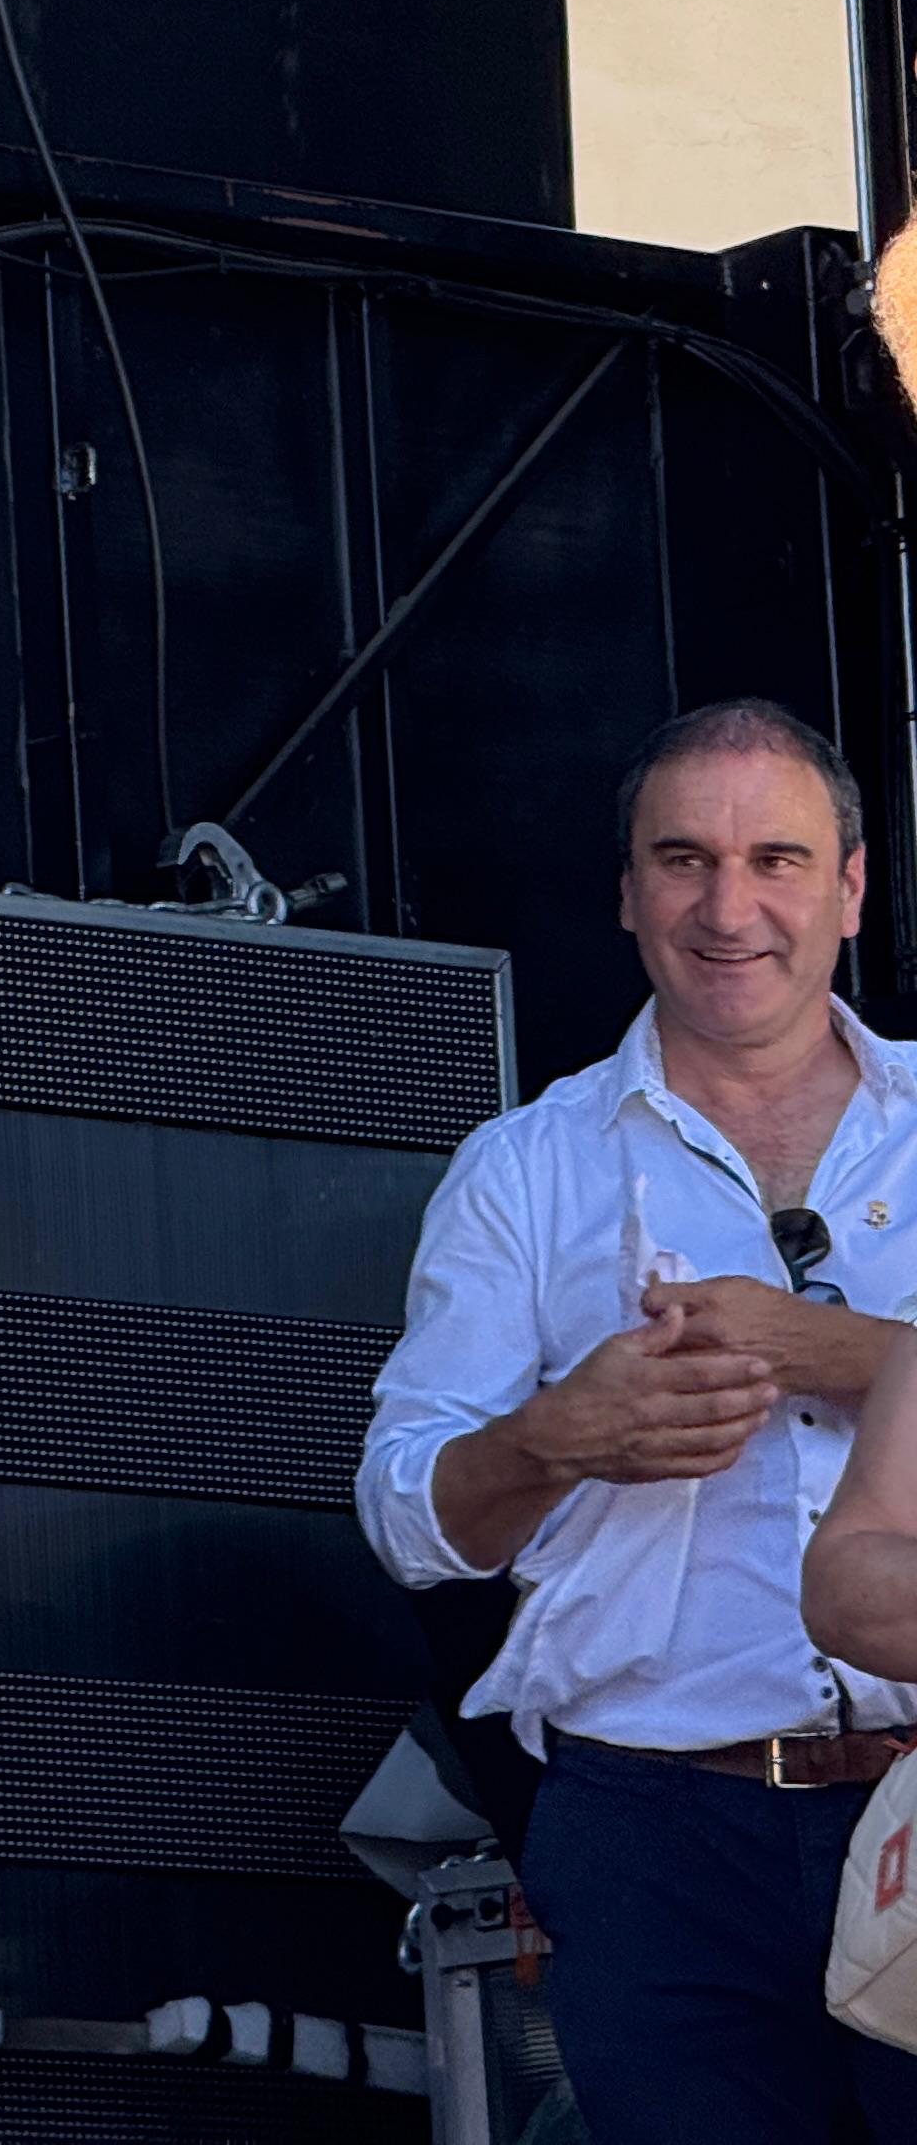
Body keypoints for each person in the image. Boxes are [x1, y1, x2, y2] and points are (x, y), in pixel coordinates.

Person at [362, 698, 917, 2143]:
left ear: (853, 888)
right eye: (685, 861)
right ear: (626, 893)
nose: (730, 909)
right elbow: (408, 1517)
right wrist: (560, 1436)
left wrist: (829, 1349)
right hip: (660, 1825)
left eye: (777, 860)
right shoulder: (525, 1168)